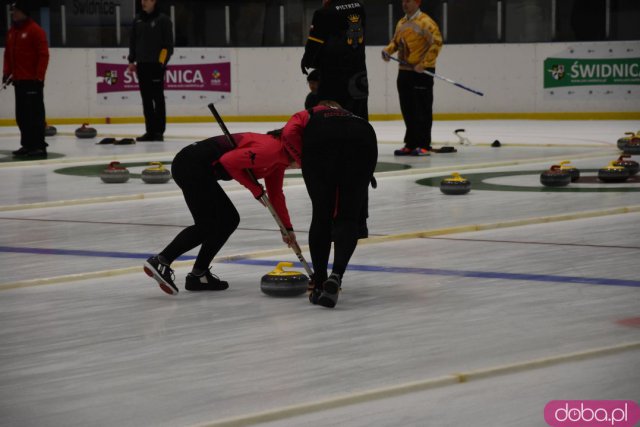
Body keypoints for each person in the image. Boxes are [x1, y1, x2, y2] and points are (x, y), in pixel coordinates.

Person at [143, 132, 298, 295]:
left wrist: (286, 228)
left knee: (228, 219)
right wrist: (254, 188)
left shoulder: (279, 161)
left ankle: (199, 275)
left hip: (197, 168)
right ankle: (162, 260)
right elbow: (228, 161)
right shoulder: (271, 149)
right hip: (191, 165)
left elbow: (276, 195)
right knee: (209, 224)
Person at [280, 102, 378, 308]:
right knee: (349, 215)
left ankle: (320, 282)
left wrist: (304, 160)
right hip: (364, 138)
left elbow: (289, 132)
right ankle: (337, 275)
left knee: (322, 214)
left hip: (322, 140)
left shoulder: (308, 113)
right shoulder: (352, 115)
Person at [382, 0, 442, 156]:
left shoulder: (426, 22)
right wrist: (388, 51)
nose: (404, 3)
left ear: (417, 2)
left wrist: (425, 63)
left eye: (408, 1)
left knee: (422, 109)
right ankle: (411, 143)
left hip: (421, 72)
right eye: (403, 1)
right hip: (404, 72)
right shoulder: (402, 22)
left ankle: (423, 144)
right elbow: (395, 42)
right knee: (408, 109)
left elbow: (437, 43)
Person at [300, 0, 369, 119]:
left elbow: (315, 42)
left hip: (334, 77)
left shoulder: (324, 13)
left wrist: (307, 60)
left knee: (331, 116)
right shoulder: (359, 6)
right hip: (359, 73)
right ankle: (360, 136)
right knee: (359, 114)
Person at [3, 0, 49, 158]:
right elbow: (8, 55)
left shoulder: (35, 30)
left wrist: (39, 76)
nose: (13, 13)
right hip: (19, 81)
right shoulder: (12, 32)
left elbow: (43, 55)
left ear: (24, 12)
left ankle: (39, 146)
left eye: (15, 11)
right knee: (22, 116)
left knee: (34, 115)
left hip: (33, 81)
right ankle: (27, 144)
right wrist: (6, 72)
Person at [128, 0, 173, 142]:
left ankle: (159, 131)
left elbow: (168, 46)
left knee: (157, 98)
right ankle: (150, 131)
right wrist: (131, 60)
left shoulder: (163, 20)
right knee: (146, 99)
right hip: (141, 65)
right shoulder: (137, 19)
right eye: (142, 0)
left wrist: (161, 63)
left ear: (154, 1)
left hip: (156, 65)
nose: (143, 2)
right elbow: (133, 41)